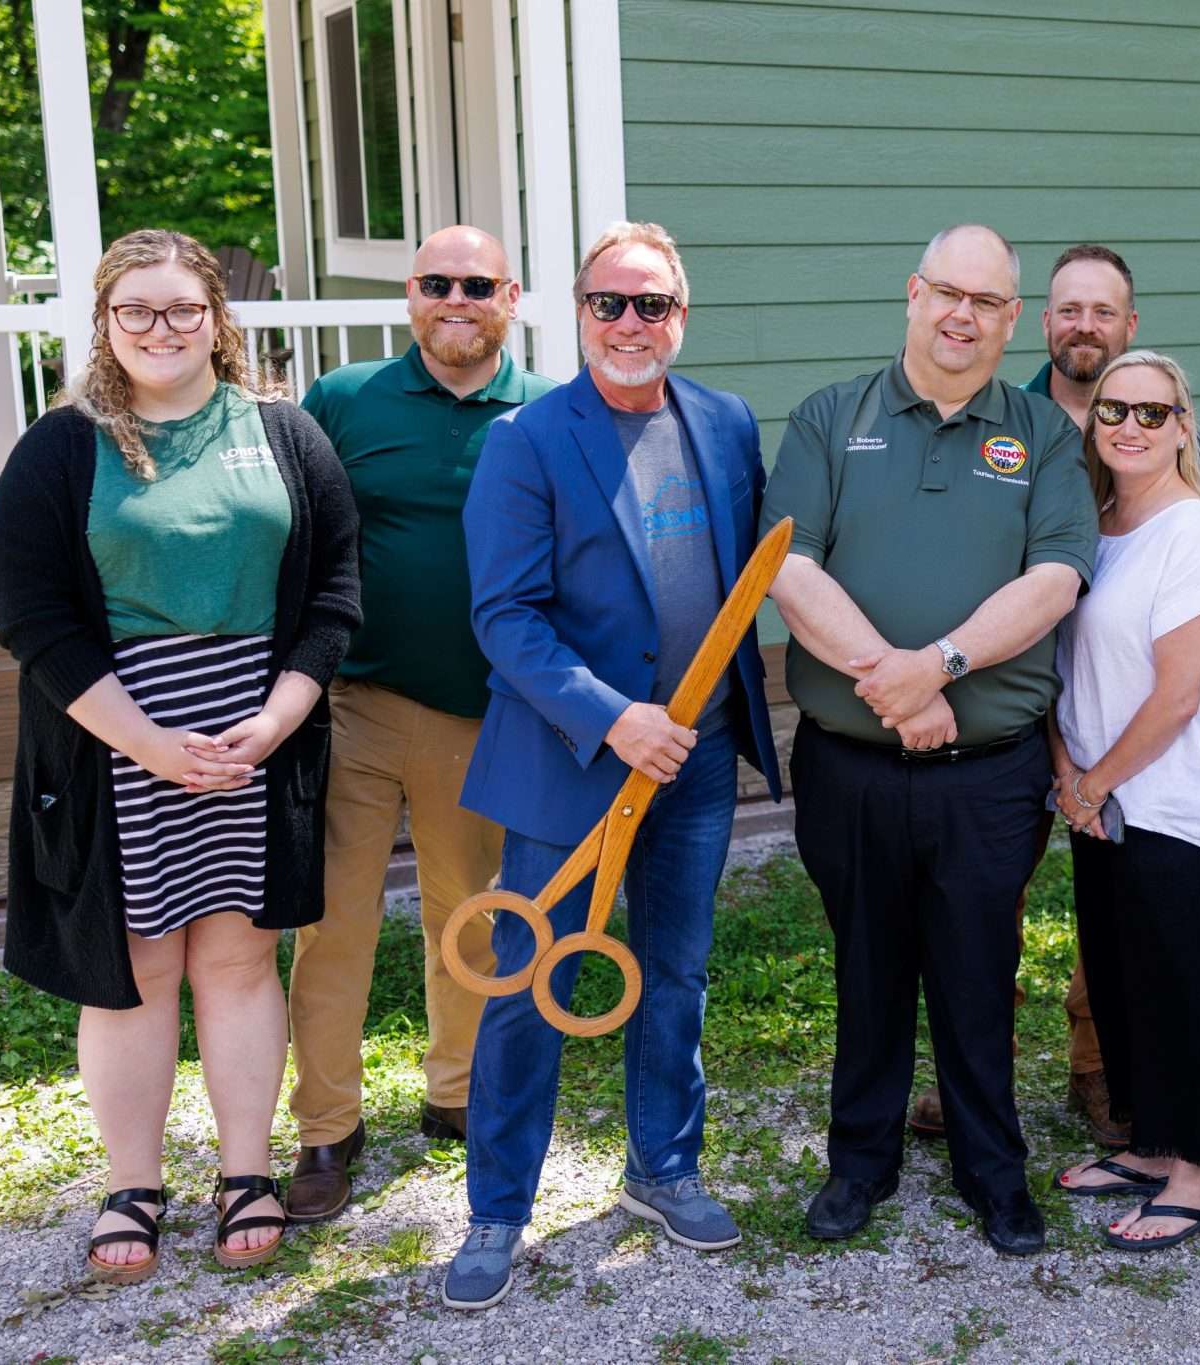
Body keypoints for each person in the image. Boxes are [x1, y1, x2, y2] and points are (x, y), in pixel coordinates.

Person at [0, 229, 361, 1281]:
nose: (162, 328)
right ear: (105, 323)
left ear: (216, 319)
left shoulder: (283, 433)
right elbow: (35, 618)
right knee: (136, 971)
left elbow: (335, 591)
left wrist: (277, 720)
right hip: (114, 749)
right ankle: (133, 1185)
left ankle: (246, 1171)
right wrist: (147, 742)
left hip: (253, 747)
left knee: (240, 960)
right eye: (137, 310)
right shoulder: (61, 449)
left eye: (184, 308)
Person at [439, 222, 783, 1309]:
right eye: (609, 303)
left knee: (676, 971)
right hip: (569, 761)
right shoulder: (527, 440)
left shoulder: (724, 422)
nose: (630, 324)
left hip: (697, 760)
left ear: (682, 314)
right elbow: (505, 616)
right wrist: (613, 718)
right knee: (533, 985)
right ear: (579, 311)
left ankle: (662, 1169)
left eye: (653, 304)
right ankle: (497, 1212)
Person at [763, 223, 1097, 1256]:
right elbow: (788, 567)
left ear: (1012, 318)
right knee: (865, 967)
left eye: (987, 301)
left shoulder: (1041, 435)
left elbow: (1056, 577)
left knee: (976, 972)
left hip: (988, 774)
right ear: (913, 294)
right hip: (850, 765)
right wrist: (897, 687)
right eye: (948, 292)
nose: (963, 315)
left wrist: (938, 665)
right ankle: (858, 1162)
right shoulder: (832, 416)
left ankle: (993, 1173)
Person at [282, 226, 554, 1222]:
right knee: (332, 925)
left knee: (469, 915)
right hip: (350, 704)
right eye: (437, 282)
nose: (456, 300)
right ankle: (327, 1128)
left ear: (509, 297)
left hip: (478, 713)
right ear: (410, 294)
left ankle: (458, 1094)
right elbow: (292, 532)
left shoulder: (546, 413)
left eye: (477, 284)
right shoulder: (343, 400)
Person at [911, 242, 1138, 1148]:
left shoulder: (1148, 423)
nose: (1085, 326)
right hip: (1007, 689)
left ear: (1130, 325)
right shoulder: (998, 419)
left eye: (1104, 311)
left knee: (1111, 889)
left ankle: (1096, 1062)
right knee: (985, 896)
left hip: (1115, 695)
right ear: (1040, 322)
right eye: (1069, 309)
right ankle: (980, 1067)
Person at [1047, 351, 1200, 1252]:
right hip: (1100, 797)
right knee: (1121, 976)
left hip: (1177, 799)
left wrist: (1091, 782)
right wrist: (1070, 772)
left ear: (1182, 427)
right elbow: (1063, 664)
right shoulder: (1095, 524)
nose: (1130, 426)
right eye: (1113, 410)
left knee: (1177, 986)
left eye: (1152, 411)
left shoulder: (1190, 532)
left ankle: (1195, 1177)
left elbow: (1178, 695)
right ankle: (1148, 1145)